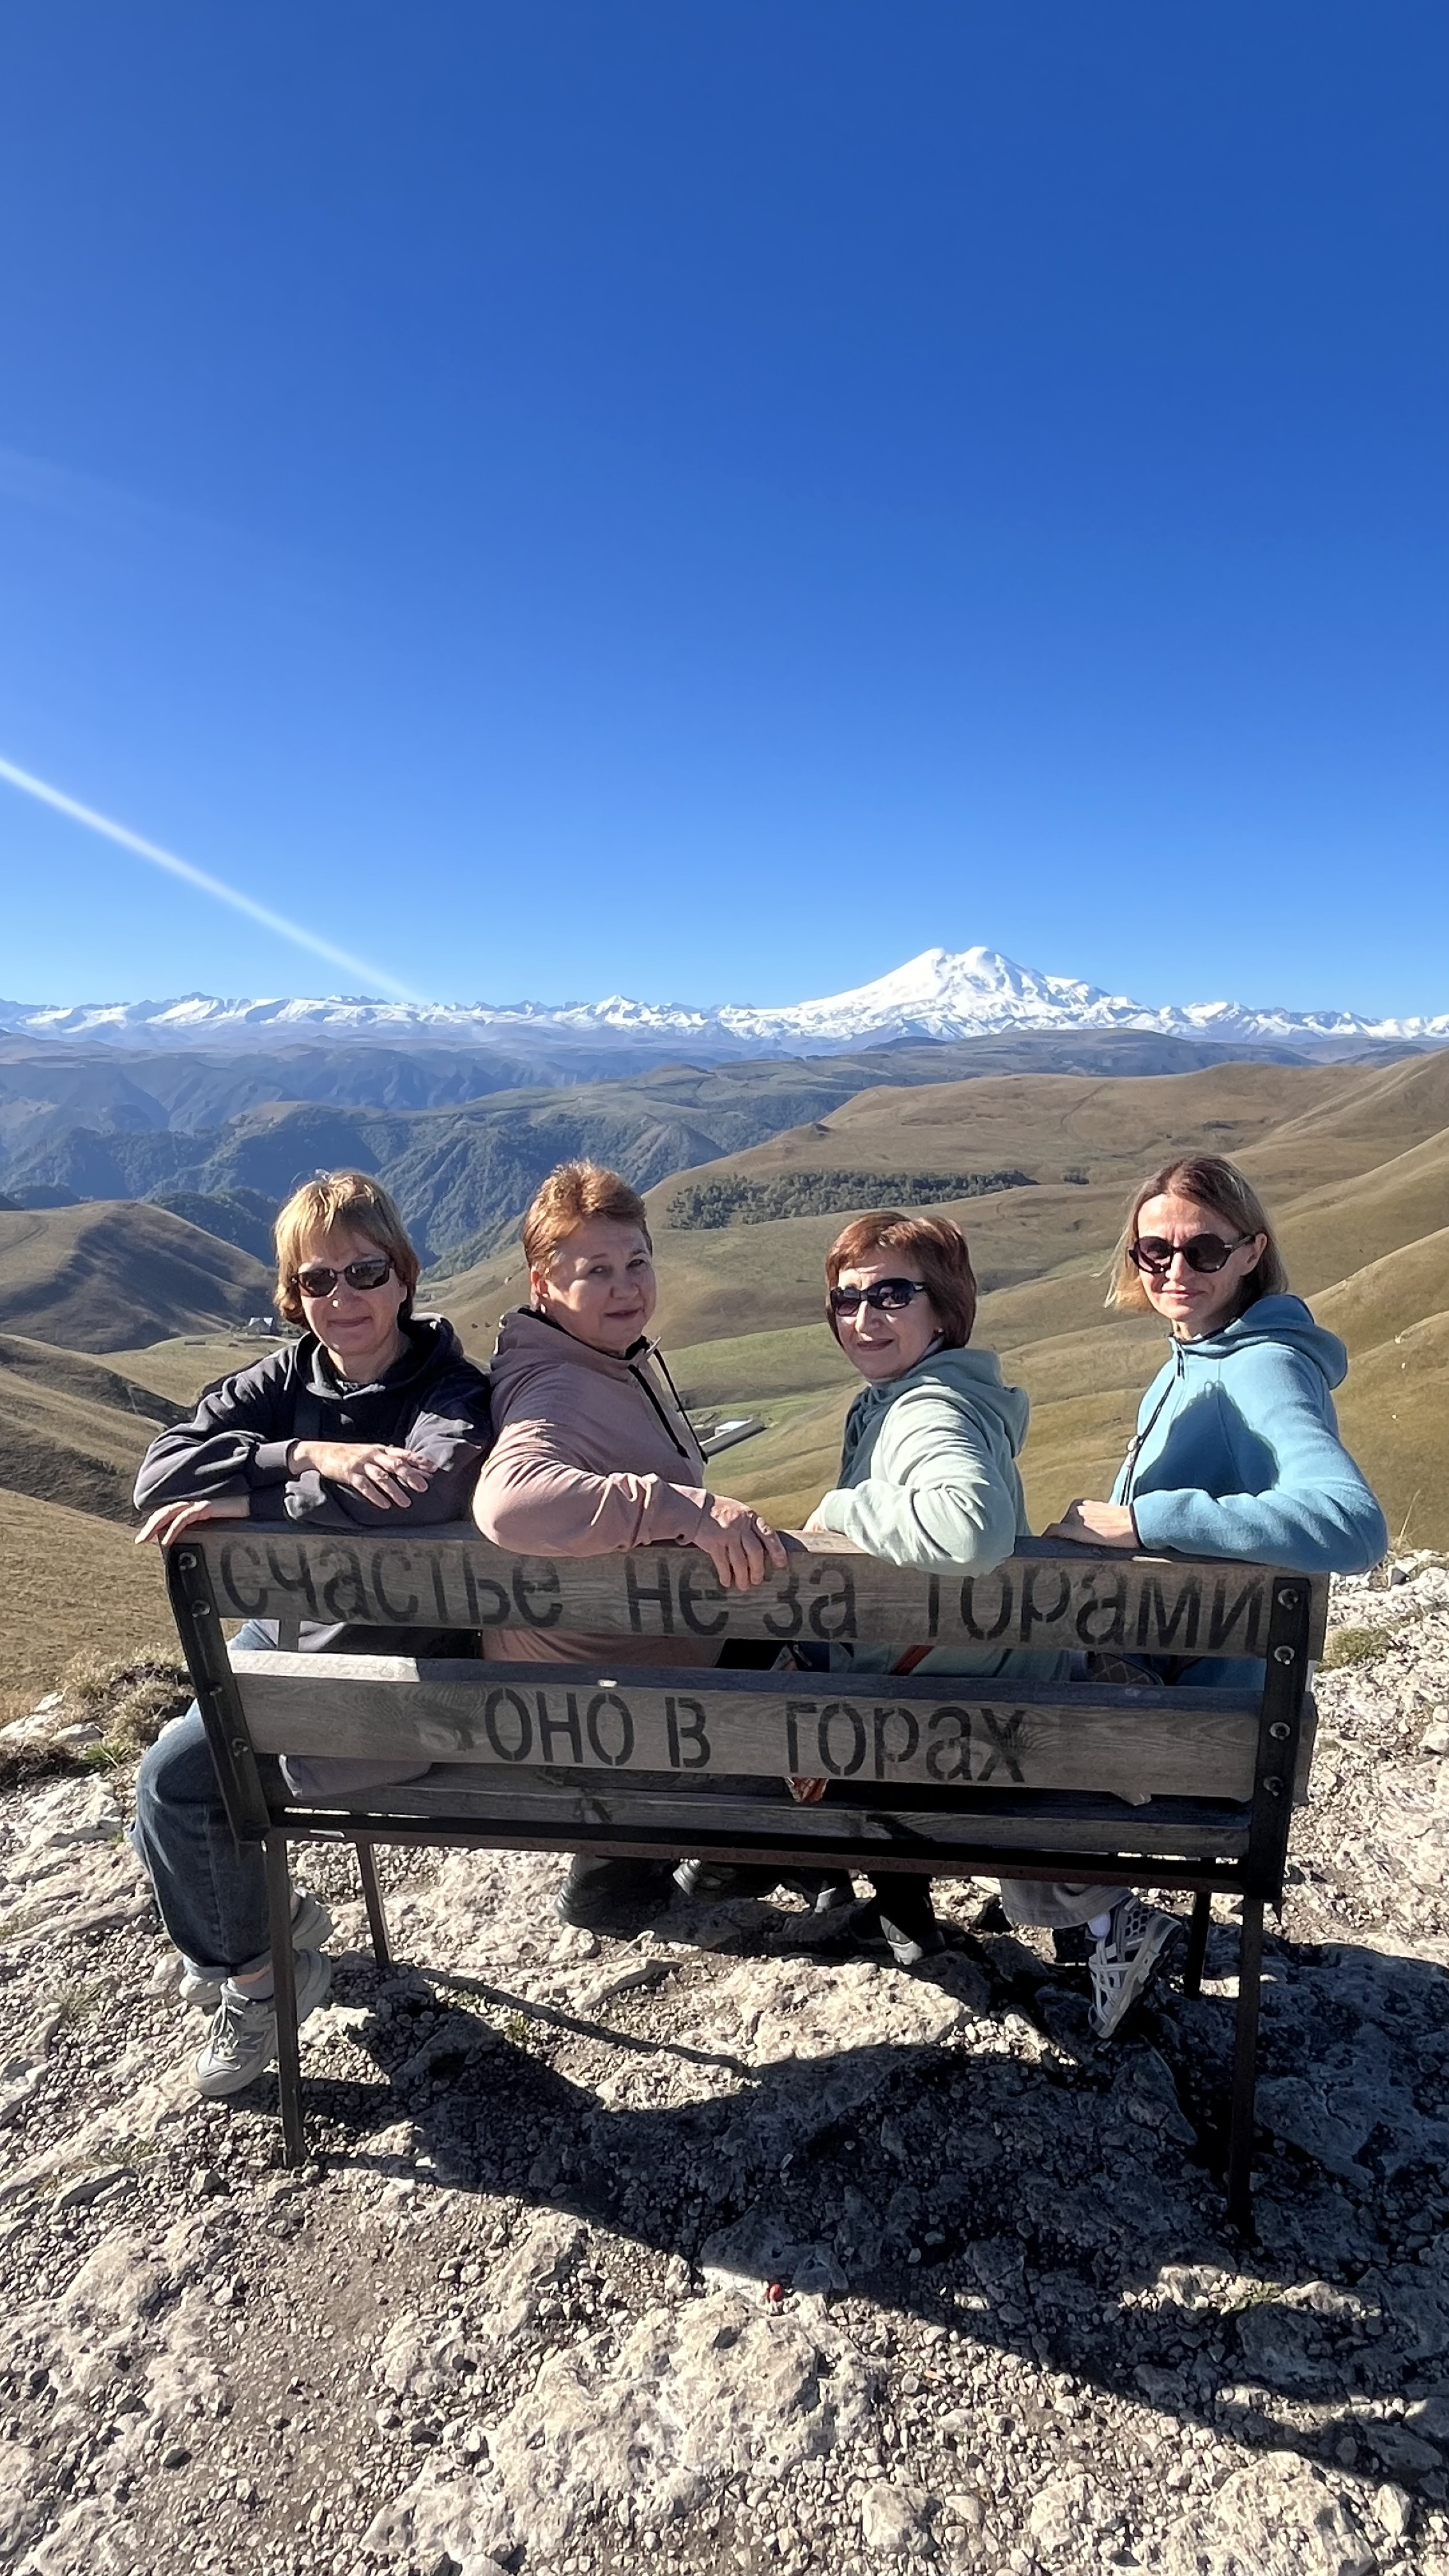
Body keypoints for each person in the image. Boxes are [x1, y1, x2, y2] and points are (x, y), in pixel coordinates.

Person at [132, 1170, 493, 2097]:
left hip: (397, 1669)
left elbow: (426, 1490)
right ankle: (263, 1958)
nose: (343, 1298)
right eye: (317, 1280)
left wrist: (254, 1498)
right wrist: (305, 1454)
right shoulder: (288, 1378)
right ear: (294, 1295)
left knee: (177, 1786)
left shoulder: (451, 1387)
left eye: (365, 1272)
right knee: (168, 1790)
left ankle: (255, 1966)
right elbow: (159, 1474)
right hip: (289, 1639)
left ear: (404, 1274)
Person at [1029, 1151, 1388, 2035]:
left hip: (1203, 1735)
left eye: (1205, 1250)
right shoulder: (1195, 1357)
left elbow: (1353, 1524)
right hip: (1191, 1707)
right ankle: (1091, 1916)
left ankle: (1101, 1920)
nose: (1176, 1269)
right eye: (1155, 1251)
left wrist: (1146, 1520)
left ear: (1252, 1252)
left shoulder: (1261, 1368)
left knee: (994, 1720)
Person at [471, 1160, 790, 1927]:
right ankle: (721, 1857)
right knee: (824, 1660)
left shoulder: (587, 1358)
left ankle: (619, 1876)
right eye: (597, 1271)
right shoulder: (557, 1388)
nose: (626, 1288)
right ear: (543, 1284)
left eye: (637, 1263)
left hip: (605, 1679)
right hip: (608, 1704)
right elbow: (509, 1502)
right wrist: (683, 1510)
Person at [803, 1209, 1066, 1966]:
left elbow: (971, 1529)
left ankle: (740, 1866)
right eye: (847, 1299)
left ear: (945, 1311)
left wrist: (840, 1510)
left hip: (951, 1735)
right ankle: (883, 1901)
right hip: (991, 1700)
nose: (863, 1319)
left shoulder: (926, 1410)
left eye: (892, 1295)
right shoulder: (922, 1396)